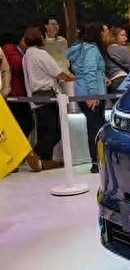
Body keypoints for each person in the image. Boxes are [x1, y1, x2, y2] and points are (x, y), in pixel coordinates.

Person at [22, 25, 75, 171]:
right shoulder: (41, 54)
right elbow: (57, 72)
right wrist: (71, 78)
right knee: (54, 131)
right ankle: (34, 154)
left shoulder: (27, 55)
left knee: (44, 131)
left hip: (35, 97)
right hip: (47, 96)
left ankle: (44, 162)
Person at [66, 23, 107, 173]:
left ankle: (97, 160)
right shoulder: (91, 49)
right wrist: (93, 94)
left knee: (93, 127)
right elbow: (90, 71)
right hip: (92, 95)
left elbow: (84, 71)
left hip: (82, 92)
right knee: (96, 128)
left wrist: (102, 78)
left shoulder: (79, 49)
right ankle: (97, 161)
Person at [105, 26, 130, 93]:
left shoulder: (107, 49)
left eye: (126, 36)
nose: (126, 38)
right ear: (115, 36)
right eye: (122, 35)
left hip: (112, 81)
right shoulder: (123, 49)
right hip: (123, 80)